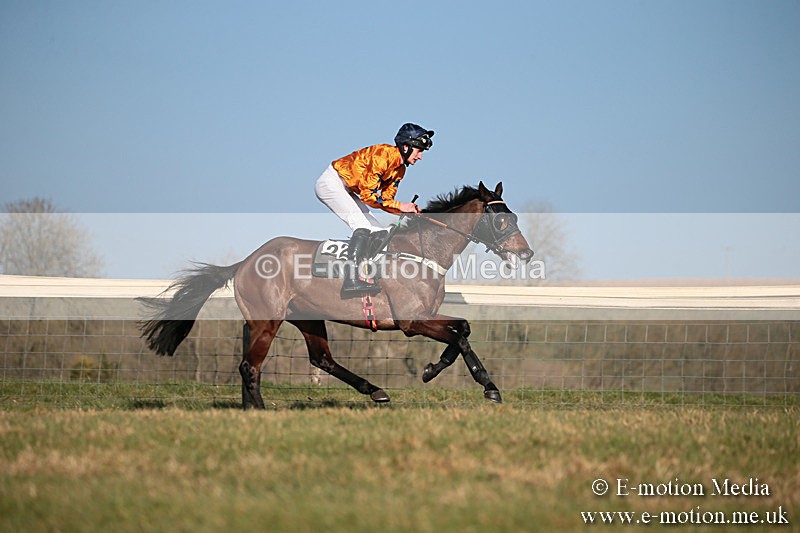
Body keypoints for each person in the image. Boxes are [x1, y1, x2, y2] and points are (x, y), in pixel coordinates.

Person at [315, 123, 434, 296]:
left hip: (347, 189)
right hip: (331, 183)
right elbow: (368, 197)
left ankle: (368, 274)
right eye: (419, 151)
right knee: (362, 226)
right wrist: (401, 206)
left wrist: (405, 211)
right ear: (406, 147)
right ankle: (351, 279)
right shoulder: (382, 156)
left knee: (379, 231)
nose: (421, 156)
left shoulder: (400, 170)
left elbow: (386, 201)